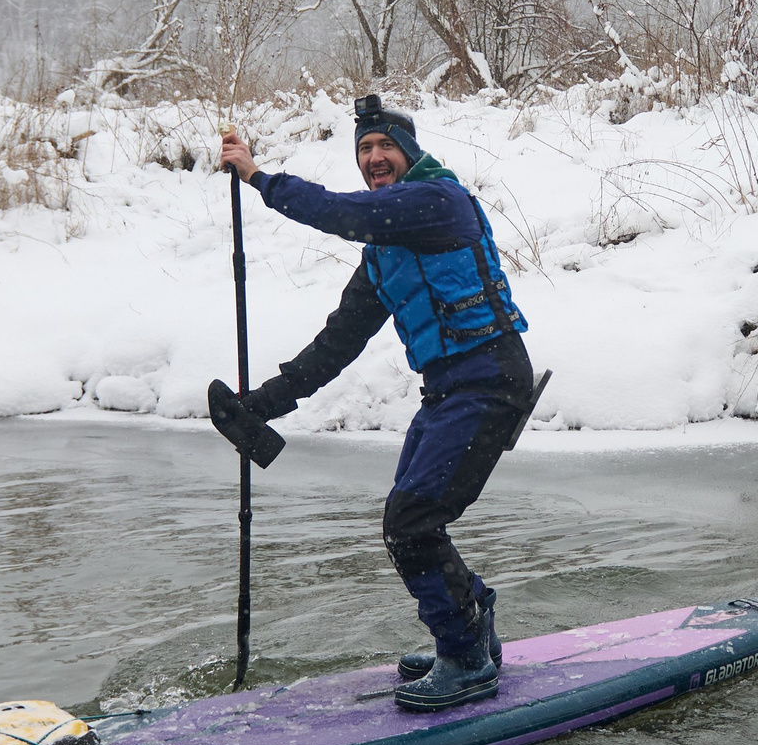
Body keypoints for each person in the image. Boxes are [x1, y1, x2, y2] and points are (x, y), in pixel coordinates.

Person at [210, 96, 536, 711]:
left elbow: (339, 211)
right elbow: (337, 343)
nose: (375, 157)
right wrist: (263, 404)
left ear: (408, 154)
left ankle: (465, 657)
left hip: (491, 381)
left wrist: (258, 178)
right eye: (364, 149)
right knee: (408, 521)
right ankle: (470, 626)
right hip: (447, 392)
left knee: (410, 522)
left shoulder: (438, 201)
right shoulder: (385, 252)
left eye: (385, 145)